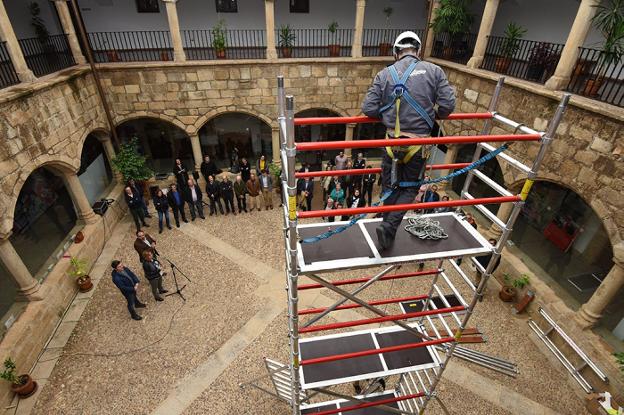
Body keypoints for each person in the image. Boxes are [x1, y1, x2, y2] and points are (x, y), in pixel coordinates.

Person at [362, 30, 455, 250]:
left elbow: (368, 108)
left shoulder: (384, 75)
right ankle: (388, 229)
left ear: (396, 52)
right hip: (418, 144)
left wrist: (387, 114)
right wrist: (433, 112)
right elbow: (448, 107)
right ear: (418, 50)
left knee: (389, 187)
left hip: (391, 143)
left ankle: (386, 229)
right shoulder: (435, 71)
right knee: (410, 189)